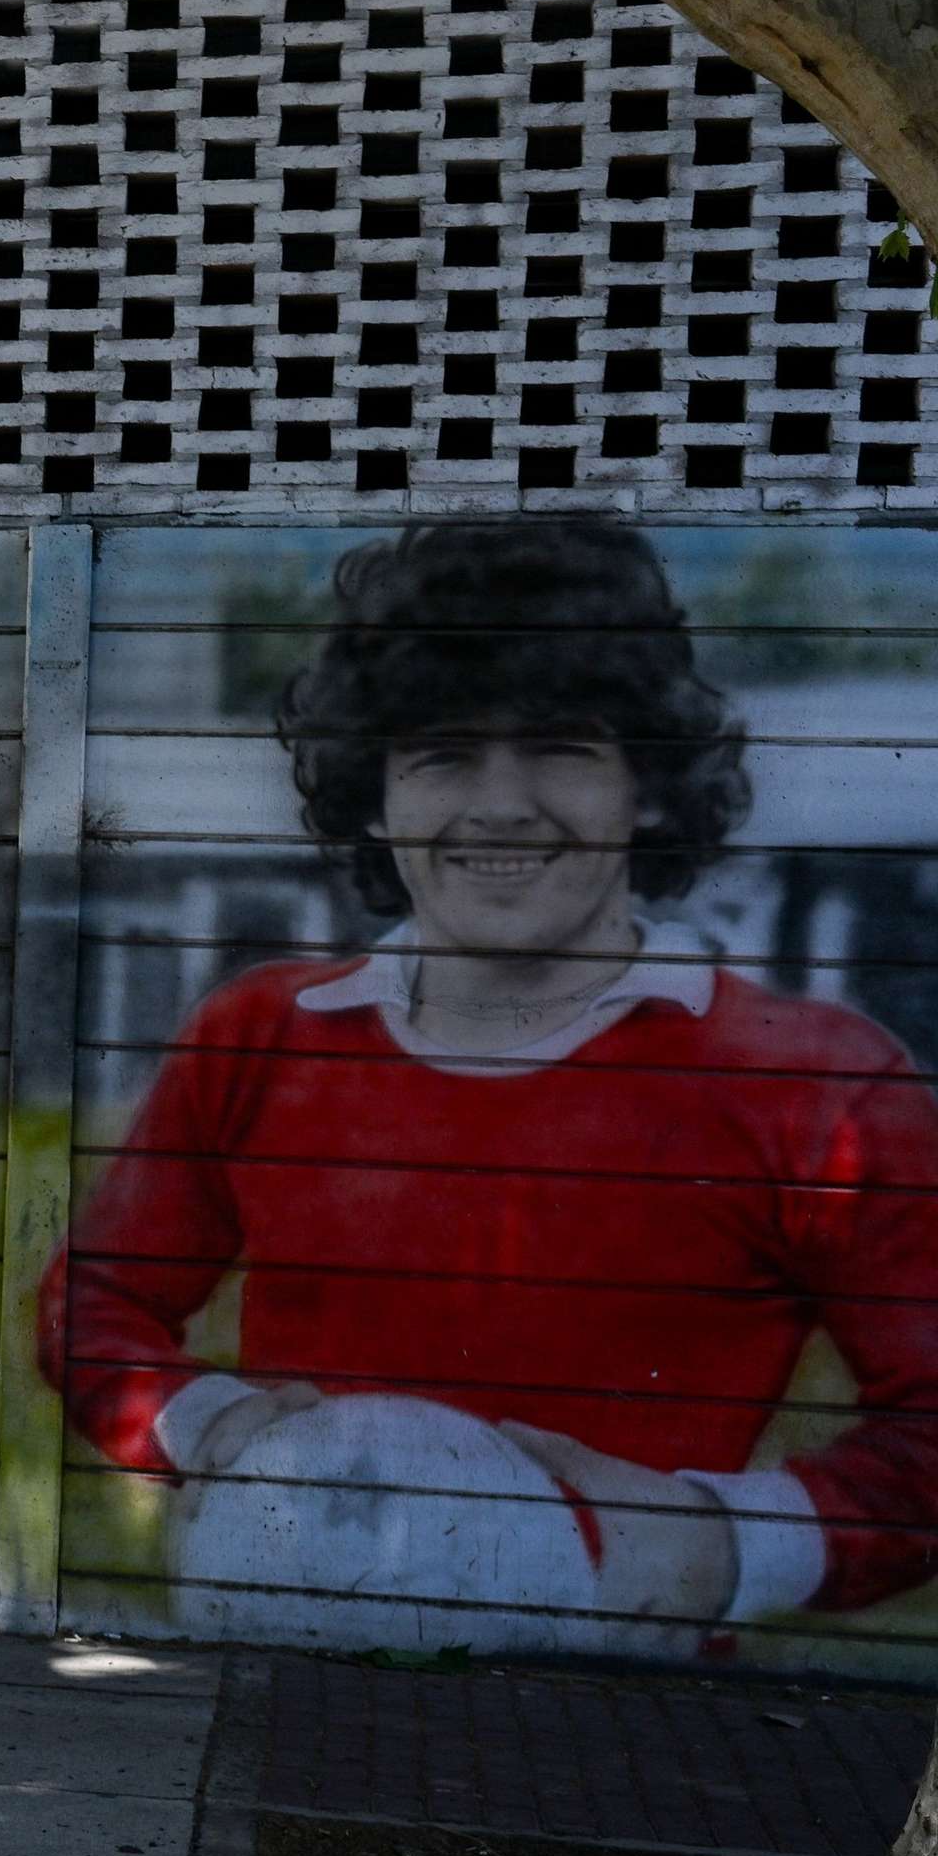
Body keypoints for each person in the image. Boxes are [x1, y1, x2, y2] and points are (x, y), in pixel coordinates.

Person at [45, 521, 938, 1642]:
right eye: (444, 752)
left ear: (648, 789)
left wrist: (724, 1542)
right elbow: (91, 1306)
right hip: (278, 1677)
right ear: (375, 794)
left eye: (563, 746)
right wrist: (207, 1423)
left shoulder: (821, 1087)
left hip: (627, 1723)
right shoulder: (257, 1036)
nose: (502, 803)